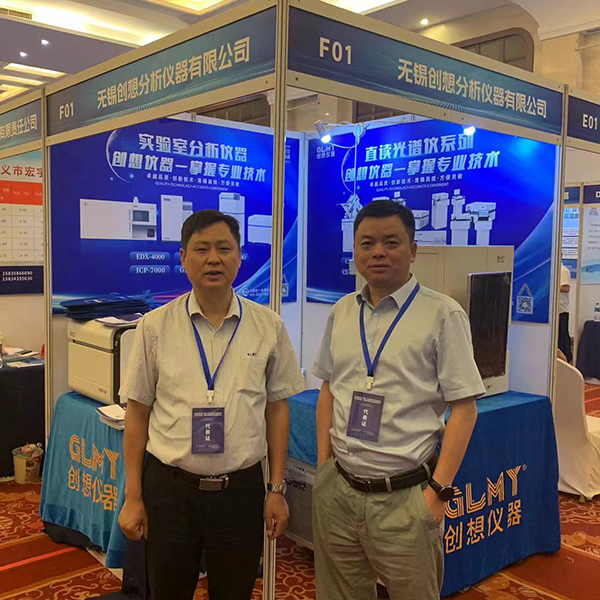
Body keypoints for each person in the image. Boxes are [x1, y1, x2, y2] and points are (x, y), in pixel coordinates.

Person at [118, 209, 305, 600]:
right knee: (168, 592)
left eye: (224, 248)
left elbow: (277, 409)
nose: (213, 259)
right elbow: (137, 414)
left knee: (234, 592)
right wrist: (133, 496)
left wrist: (276, 489)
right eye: (202, 249)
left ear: (239, 256)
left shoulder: (268, 326)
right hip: (170, 490)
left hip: (240, 491)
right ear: (183, 258)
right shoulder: (155, 326)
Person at [312, 200, 485, 600]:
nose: (378, 252)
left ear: (413, 250)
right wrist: (324, 468)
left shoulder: (443, 314)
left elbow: (465, 408)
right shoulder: (342, 311)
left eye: (391, 242)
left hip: (406, 499)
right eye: (366, 243)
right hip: (339, 491)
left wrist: (438, 492)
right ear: (355, 250)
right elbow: (328, 388)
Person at [558, 263, 573, 363]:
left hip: (561, 310)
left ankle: (567, 360)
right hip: (554, 311)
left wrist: (552, 286)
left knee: (562, 338)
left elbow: (566, 288)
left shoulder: (563, 270)